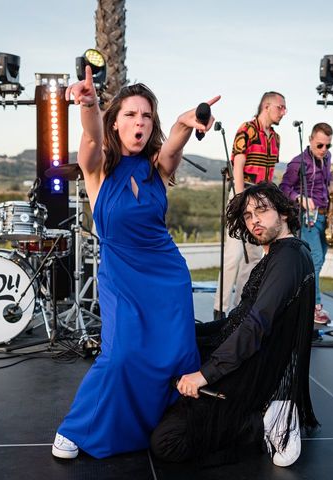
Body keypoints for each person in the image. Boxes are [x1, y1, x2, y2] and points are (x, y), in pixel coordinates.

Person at [52, 65, 220, 459]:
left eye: (146, 115)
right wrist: (90, 104)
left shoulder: (157, 169)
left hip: (166, 276)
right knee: (121, 354)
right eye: (130, 114)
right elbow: (92, 131)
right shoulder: (96, 166)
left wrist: (185, 121)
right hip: (121, 275)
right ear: (116, 122)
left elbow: (175, 145)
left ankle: (163, 425)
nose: (139, 122)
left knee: (175, 356)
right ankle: (78, 427)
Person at [151, 183, 318, 468]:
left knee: (168, 442)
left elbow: (256, 324)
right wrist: (188, 332)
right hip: (243, 353)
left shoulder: (288, 256)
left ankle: (263, 420)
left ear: (284, 213)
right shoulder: (280, 253)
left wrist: (205, 375)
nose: (254, 220)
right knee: (171, 348)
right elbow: (238, 319)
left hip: (251, 369)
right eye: (248, 215)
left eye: (262, 211)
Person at [214, 92, 287, 319]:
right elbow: (238, 164)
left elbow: (271, 172)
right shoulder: (247, 129)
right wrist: (240, 199)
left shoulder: (275, 138)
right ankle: (220, 309)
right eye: (280, 107)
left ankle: (240, 309)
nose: (284, 112)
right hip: (242, 193)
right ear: (266, 106)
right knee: (234, 254)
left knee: (255, 257)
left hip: (262, 199)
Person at [280, 122, 333, 325]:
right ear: (310, 140)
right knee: (314, 259)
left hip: (324, 214)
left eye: (327, 146)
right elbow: (283, 187)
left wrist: (332, 183)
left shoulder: (327, 158)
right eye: (320, 145)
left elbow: (327, 178)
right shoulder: (298, 163)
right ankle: (314, 307)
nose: (324, 150)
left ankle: (298, 297)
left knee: (320, 260)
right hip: (307, 217)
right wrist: (299, 197)